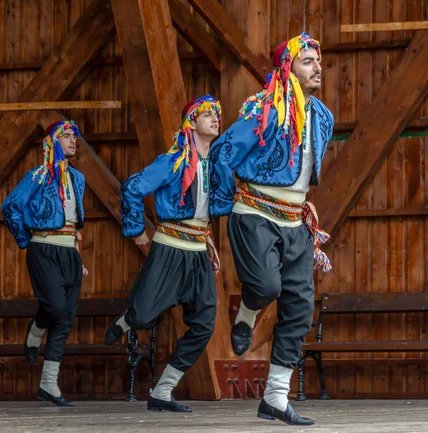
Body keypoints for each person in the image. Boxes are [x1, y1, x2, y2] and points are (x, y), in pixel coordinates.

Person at [209, 32, 334, 426]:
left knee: (300, 308)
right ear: (288, 68)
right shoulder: (263, 110)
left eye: (318, 60)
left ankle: (275, 398)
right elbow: (222, 153)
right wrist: (223, 208)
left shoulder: (324, 117)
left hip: (296, 221)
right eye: (308, 61)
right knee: (266, 287)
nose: (317, 67)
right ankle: (246, 313)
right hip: (255, 213)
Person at [104, 95, 222, 413]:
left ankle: (163, 390)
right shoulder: (172, 161)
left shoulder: (216, 166)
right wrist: (136, 229)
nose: (215, 118)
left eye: (217, 114)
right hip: (170, 247)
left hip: (199, 252)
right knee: (143, 316)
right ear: (191, 122)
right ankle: (128, 320)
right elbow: (131, 187)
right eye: (207, 113)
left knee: (204, 325)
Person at [1, 120, 87, 407]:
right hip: (43, 248)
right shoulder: (37, 176)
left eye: (75, 136)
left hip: (69, 253)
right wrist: (28, 241)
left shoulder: (78, 179)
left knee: (66, 318)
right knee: (56, 307)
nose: (73, 140)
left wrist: (77, 257)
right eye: (66, 136)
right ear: (52, 142)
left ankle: (49, 385)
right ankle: (36, 330)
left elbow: (75, 224)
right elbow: (10, 206)